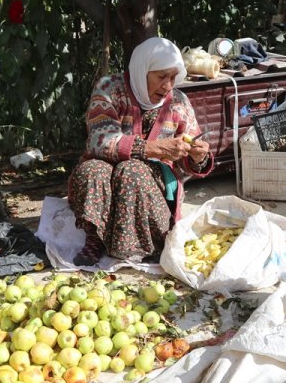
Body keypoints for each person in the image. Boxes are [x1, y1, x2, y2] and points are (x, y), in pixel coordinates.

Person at [67, 37, 214, 265]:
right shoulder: (110, 89)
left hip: (150, 184)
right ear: (142, 70)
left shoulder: (178, 102)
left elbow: (188, 157)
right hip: (107, 173)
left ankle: (144, 244)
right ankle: (96, 237)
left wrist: (198, 157)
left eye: (173, 77)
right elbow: (99, 141)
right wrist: (152, 148)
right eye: (161, 76)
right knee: (92, 170)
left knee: (132, 171)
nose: (167, 85)